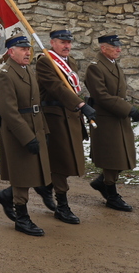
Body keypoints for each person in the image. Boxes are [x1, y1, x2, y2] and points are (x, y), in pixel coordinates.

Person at [35, 29, 96, 224]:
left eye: (69, 42)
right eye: (62, 42)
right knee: (61, 161)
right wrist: (80, 104)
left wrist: (82, 103)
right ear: (52, 43)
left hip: (71, 116)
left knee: (70, 160)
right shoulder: (45, 61)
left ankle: (44, 186)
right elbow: (56, 87)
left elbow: (71, 87)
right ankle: (62, 205)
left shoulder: (71, 62)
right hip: (54, 118)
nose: (67, 46)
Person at [0, 36, 51, 237]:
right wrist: (27, 137)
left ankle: (6, 196)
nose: (28, 52)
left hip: (34, 126)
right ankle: (22, 218)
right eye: (23, 49)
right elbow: (9, 111)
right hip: (17, 133)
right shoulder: (6, 75)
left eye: (29, 49)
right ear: (11, 51)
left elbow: (36, 104)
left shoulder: (27, 70)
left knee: (33, 172)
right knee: (22, 174)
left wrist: (44, 131)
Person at [86, 34, 139, 212]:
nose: (119, 49)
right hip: (105, 118)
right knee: (111, 157)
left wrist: (126, 109)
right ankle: (111, 194)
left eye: (119, 46)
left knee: (124, 154)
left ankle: (102, 182)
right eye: (114, 46)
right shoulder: (95, 68)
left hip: (118, 117)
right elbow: (101, 96)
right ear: (103, 48)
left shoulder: (114, 65)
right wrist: (127, 108)